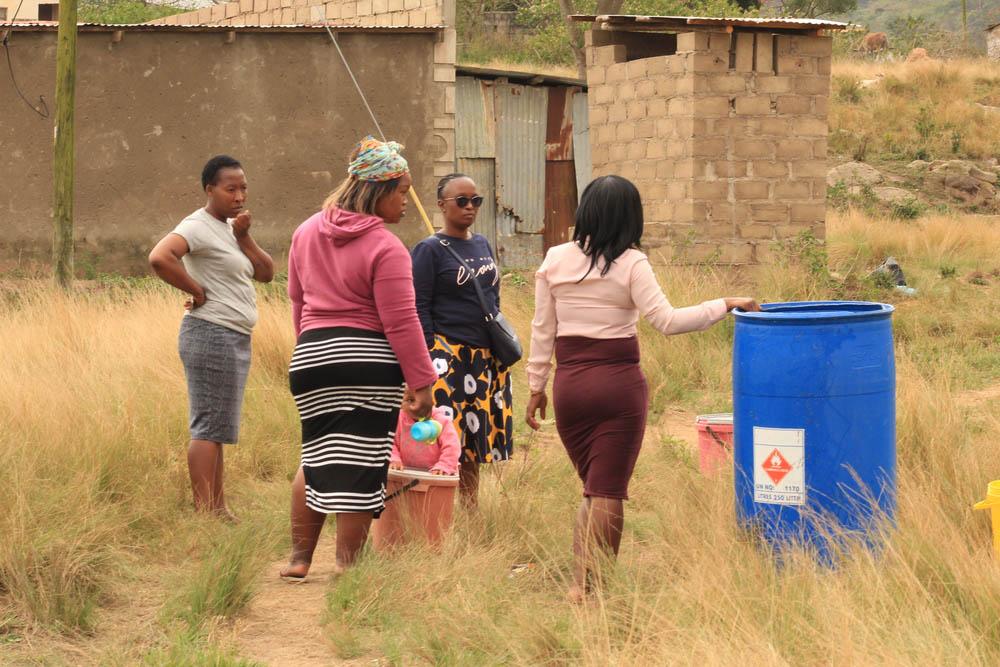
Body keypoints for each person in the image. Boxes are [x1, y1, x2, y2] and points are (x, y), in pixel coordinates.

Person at [524, 175, 759, 602]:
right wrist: (724, 304)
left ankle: (581, 584)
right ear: (632, 217)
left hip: (570, 386)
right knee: (608, 489)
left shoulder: (554, 259)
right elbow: (667, 321)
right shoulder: (632, 262)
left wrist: (535, 386)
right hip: (617, 385)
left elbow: (543, 330)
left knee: (593, 487)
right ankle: (594, 590)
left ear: (587, 212)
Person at [281, 137, 437, 580]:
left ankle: (299, 558)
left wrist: (311, 353)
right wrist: (422, 382)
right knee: (362, 462)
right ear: (378, 190)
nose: (406, 202)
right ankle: (349, 567)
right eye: (402, 191)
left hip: (311, 357)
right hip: (367, 361)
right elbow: (401, 322)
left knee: (316, 456)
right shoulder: (387, 248)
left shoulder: (304, 231)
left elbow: (297, 302)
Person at [148, 155, 275, 520]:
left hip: (231, 335)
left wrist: (244, 237)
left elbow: (266, 273)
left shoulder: (231, 228)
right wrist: (196, 290)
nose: (239, 196)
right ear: (210, 190)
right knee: (207, 427)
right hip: (210, 333)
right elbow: (160, 257)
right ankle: (208, 513)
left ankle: (217, 509)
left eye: (243, 188)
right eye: (230, 188)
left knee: (217, 426)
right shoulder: (197, 225)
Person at [410, 174, 514, 506]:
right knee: (443, 438)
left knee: (473, 440)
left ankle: (470, 511)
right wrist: (427, 357)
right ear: (441, 205)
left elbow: (492, 298)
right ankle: (433, 510)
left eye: (476, 201)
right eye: (461, 201)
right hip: (449, 357)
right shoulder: (429, 250)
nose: (470, 207)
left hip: (484, 358)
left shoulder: (482, 243)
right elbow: (419, 306)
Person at [390, 407, 461, 475]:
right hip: (404, 472)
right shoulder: (398, 418)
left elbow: (452, 446)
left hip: (437, 473)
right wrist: (394, 459)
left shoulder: (441, 420)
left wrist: (445, 465)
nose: (415, 405)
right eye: (410, 400)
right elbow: (390, 442)